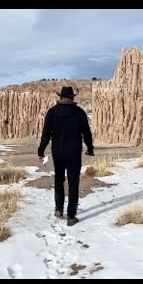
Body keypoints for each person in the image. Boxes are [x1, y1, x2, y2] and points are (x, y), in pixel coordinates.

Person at [38, 86, 94, 226]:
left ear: (60, 97)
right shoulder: (79, 112)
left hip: (58, 152)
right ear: (73, 97)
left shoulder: (52, 112)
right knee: (73, 183)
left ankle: (58, 209)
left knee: (59, 180)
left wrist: (41, 151)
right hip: (74, 153)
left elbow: (46, 134)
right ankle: (71, 215)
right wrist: (90, 148)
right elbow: (86, 133)